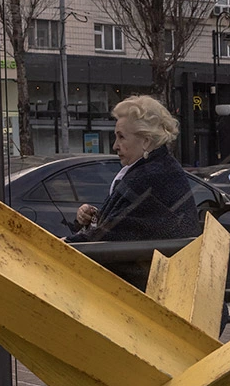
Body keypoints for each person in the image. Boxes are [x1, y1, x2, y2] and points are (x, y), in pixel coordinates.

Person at [65, 95, 199, 290]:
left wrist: (59, 244)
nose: (115, 145)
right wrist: (91, 218)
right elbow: (125, 226)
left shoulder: (148, 177)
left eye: (121, 137)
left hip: (156, 292)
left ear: (145, 141)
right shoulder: (157, 168)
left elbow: (111, 234)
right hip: (169, 286)